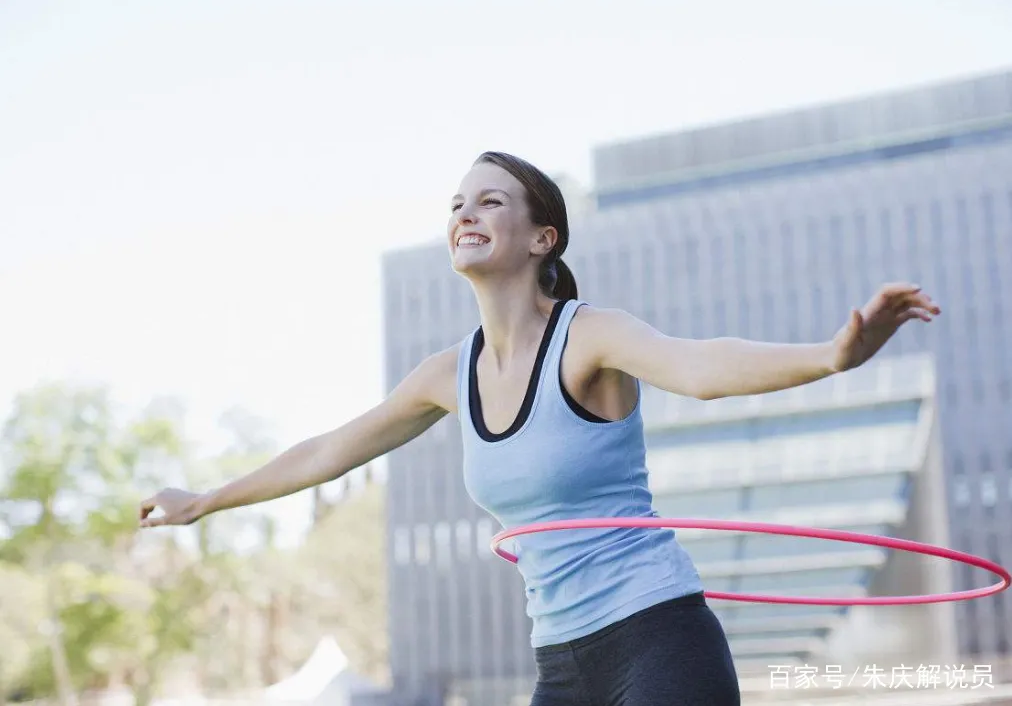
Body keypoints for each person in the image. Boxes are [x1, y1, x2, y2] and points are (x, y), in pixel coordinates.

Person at [139, 151, 940, 705]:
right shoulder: (445, 374)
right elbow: (327, 450)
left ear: (541, 237)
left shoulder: (590, 335)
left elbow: (698, 367)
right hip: (560, 661)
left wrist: (834, 356)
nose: (465, 214)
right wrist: (206, 499)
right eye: (456, 205)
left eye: (490, 200)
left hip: (658, 637)